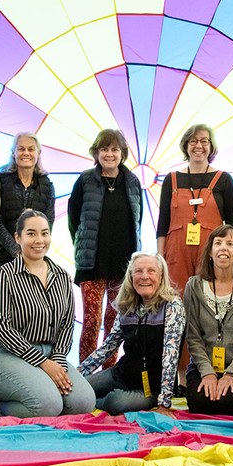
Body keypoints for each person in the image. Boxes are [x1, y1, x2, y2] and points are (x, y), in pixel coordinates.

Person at [0, 210, 95, 418]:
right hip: (5, 354)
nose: (39, 240)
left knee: (83, 403)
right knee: (47, 406)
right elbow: (0, 327)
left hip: (50, 353)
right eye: (31, 234)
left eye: (44, 233)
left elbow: (67, 324)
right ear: (18, 237)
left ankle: (35, 394)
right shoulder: (4, 275)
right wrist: (43, 363)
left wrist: (58, 360)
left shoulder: (61, 276)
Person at [68, 129, 143, 367]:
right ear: (96, 152)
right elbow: (73, 221)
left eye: (114, 149)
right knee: (91, 320)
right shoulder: (85, 180)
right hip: (92, 262)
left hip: (123, 265)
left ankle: (109, 371)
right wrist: (83, 246)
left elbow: (137, 221)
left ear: (122, 153)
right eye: (104, 149)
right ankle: (85, 373)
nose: (109, 154)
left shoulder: (132, 182)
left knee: (114, 323)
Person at [78, 253, 185, 416]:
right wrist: (80, 372)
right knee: (78, 389)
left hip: (150, 389)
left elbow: (171, 356)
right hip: (121, 375)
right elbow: (109, 346)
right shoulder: (127, 305)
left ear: (161, 275)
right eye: (138, 271)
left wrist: (164, 403)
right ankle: (85, 400)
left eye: (151, 271)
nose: (144, 277)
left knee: (116, 402)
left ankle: (90, 402)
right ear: (131, 276)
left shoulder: (172, 305)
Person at [183, 225, 233, 416]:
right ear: (210, 252)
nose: (223, 248)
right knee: (199, 404)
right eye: (218, 243)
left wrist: (231, 373)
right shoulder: (193, 286)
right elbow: (192, 336)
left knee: (229, 405)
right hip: (203, 367)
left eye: (229, 243)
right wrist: (208, 372)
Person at [157, 124, 233, 292]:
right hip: (176, 254)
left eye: (204, 141)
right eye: (193, 141)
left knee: (209, 297)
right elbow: (163, 224)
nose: (198, 146)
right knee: (176, 300)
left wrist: (232, 256)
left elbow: (232, 226)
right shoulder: (171, 179)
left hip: (211, 251)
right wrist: (160, 258)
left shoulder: (224, 179)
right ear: (186, 146)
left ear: (211, 146)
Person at [0, 132, 56, 275]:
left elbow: (48, 222)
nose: (26, 153)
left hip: (34, 258)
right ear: (13, 153)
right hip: (2, 257)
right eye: (21, 149)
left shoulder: (47, 185)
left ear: (38, 153)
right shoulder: (0, 181)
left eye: (31, 149)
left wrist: (31, 250)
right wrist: (17, 251)